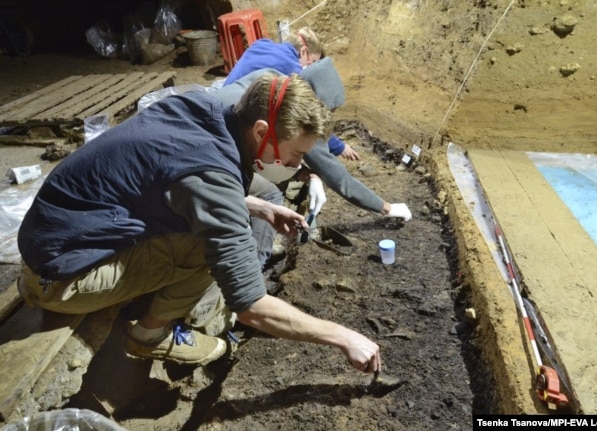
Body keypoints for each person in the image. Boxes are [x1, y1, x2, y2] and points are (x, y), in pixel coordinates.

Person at [16, 73, 381, 374]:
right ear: (260, 131)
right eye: (296, 154)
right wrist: (344, 337)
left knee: (219, 226)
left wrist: (258, 207)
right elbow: (251, 305)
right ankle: (150, 335)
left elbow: (180, 181)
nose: (296, 164)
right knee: (209, 247)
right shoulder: (211, 175)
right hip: (59, 276)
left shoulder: (202, 108)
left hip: (57, 231)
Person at [217, 59, 413, 268]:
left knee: (266, 194)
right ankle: (252, 262)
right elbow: (340, 179)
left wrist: (308, 175)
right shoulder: (294, 121)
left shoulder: (273, 84)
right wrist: (387, 208)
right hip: (216, 161)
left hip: (224, 143)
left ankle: (259, 250)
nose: (299, 161)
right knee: (261, 197)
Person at [224, 26, 360, 162]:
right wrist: (339, 147)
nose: (309, 67)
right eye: (311, 62)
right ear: (304, 51)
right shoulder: (293, 72)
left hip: (225, 94)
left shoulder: (262, 43)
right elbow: (311, 119)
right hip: (239, 125)